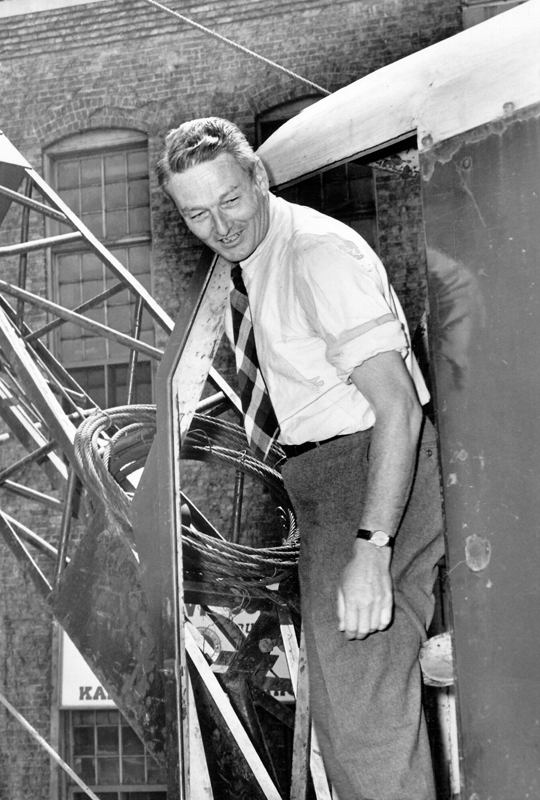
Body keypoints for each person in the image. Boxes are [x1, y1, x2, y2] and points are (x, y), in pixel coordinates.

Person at [156, 117, 445, 799]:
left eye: (229, 200)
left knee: (367, 714)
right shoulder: (251, 272)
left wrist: (372, 549)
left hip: (366, 473)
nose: (219, 225)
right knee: (347, 718)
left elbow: (398, 408)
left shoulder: (314, 253)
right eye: (196, 214)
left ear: (257, 177)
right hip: (321, 482)